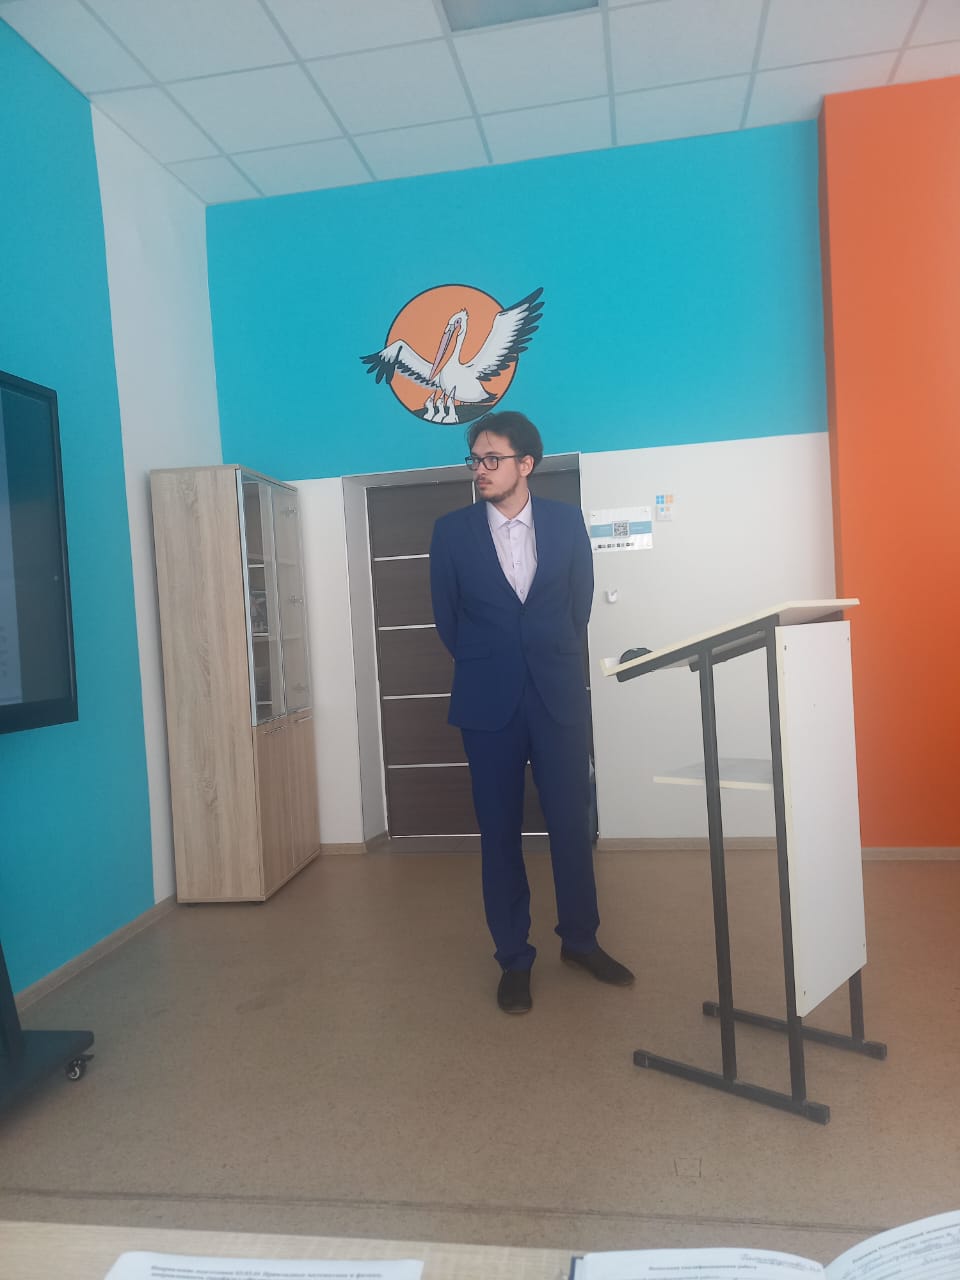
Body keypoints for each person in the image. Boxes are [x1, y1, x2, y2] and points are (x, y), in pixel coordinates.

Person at [429, 410, 634, 1014]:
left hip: (557, 697)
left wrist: (542, 655)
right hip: (486, 702)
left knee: (571, 825)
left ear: (526, 464)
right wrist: (495, 661)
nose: (481, 469)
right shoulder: (451, 532)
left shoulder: (567, 524)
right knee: (499, 834)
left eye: (492, 459)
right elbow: (448, 621)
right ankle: (513, 958)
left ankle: (581, 941)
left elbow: (577, 608)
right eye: (475, 460)